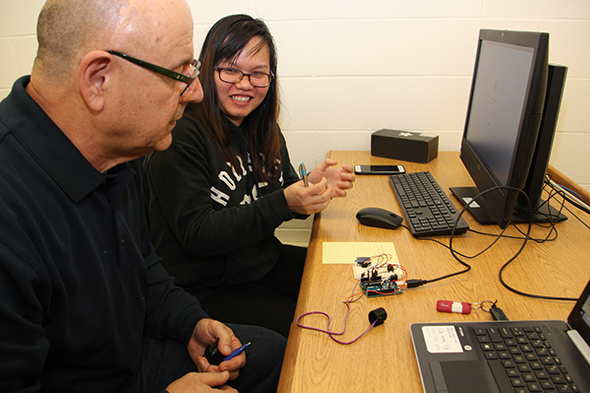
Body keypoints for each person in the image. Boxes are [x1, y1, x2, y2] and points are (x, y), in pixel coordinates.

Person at [0, 1, 285, 392]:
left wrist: (189, 322)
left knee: (273, 355)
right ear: (99, 79)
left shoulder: (120, 149)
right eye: (179, 72)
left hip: (129, 356)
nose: (197, 93)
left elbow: (142, 267)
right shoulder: (11, 211)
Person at [143, 14, 356, 338]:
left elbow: (276, 193)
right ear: (206, 70)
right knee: (313, 332)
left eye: (258, 74)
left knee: (347, 278)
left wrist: (309, 186)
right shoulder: (181, 135)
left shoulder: (264, 128)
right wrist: (286, 203)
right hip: (205, 287)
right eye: (230, 70)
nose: (245, 85)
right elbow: (197, 233)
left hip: (260, 262)